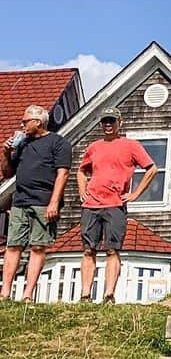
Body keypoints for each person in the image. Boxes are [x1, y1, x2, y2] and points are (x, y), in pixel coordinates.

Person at [78, 113, 158, 303]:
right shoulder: (94, 147)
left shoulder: (131, 146)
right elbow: (81, 170)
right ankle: (85, 294)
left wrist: (135, 194)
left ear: (119, 123)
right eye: (104, 121)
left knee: (112, 250)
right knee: (88, 249)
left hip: (115, 205)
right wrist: (83, 190)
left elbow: (152, 169)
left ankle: (109, 294)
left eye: (111, 121)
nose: (108, 125)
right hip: (91, 205)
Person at [1, 104, 72, 302]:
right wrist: (6, 153)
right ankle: (5, 293)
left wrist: (54, 202)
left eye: (25, 121)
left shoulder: (58, 143)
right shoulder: (22, 144)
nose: (22, 125)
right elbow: (7, 173)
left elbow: (62, 173)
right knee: (13, 245)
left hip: (43, 201)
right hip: (20, 201)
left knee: (38, 247)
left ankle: (27, 294)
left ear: (38, 122)